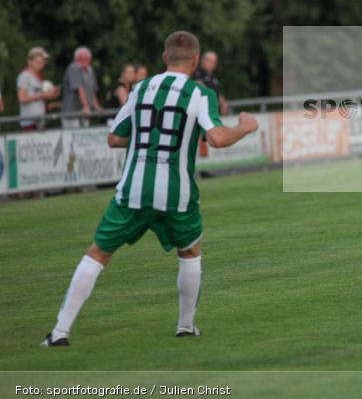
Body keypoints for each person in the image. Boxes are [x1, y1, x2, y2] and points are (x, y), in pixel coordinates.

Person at [41, 31, 259, 347]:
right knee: (190, 252)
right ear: (196, 60)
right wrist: (244, 127)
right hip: (177, 193)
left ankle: (60, 332)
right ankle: (185, 326)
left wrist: (150, 139)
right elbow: (218, 138)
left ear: (163, 58)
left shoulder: (140, 88)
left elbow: (114, 138)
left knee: (98, 254)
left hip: (133, 189)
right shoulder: (199, 94)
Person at [17, 47, 60, 131]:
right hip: (29, 122)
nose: (41, 64)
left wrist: (53, 94)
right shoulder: (24, 76)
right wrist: (42, 94)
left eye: (42, 62)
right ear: (29, 61)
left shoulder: (38, 77)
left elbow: (39, 98)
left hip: (40, 121)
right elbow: (22, 98)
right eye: (38, 62)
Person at [61, 47, 102, 128]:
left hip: (83, 114)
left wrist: (97, 107)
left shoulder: (90, 70)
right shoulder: (74, 68)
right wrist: (86, 107)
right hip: (72, 113)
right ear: (76, 59)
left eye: (86, 58)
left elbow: (92, 91)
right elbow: (80, 89)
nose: (83, 61)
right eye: (80, 59)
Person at [193, 51, 228, 115]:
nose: (213, 64)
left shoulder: (213, 76)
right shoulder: (197, 73)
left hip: (214, 110)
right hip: (203, 110)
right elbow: (202, 89)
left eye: (215, 62)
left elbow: (218, 92)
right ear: (203, 61)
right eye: (211, 61)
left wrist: (223, 104)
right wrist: (214, 101)